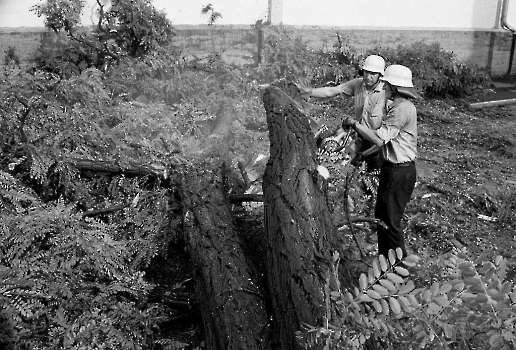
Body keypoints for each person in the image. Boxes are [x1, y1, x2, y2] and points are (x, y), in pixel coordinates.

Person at [342, 64, 418, 258]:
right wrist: (363, 155)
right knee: (382, 217)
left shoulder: (401, 110)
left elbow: (378, 138)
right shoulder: (399, 107)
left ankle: (397, 268)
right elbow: (385, 142)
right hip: (393, 169)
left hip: (399, 172)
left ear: (395, 87)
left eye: (386, 85)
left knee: (391, 222)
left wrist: (355, 125)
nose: (383, 88)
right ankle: (385, 261)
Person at [299, 54, 387, 171]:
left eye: (373, 74)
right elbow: (332, 91)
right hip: (360, 135)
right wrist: (305, 92)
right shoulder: (358, 85)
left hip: (377, 141)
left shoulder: (386, 93)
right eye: (367, 72)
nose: (368, 77)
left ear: (380, 75)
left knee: (375, 172)